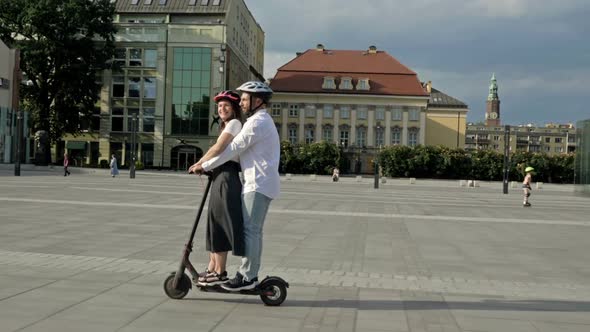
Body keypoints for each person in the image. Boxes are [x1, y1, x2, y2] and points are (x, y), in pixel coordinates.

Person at [190, 81, 280, 291]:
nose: (241, 102)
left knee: (252, 231)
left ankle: (248, 277)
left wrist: (205, 165)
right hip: (255, 182)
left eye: (245, 98)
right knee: (252, 230)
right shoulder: (258, 121)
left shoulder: (257, 123)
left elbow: (233, 148)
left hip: (258, 182)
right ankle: (247, 274)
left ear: (257, 101)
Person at [187, 90, 245, 286]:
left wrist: (200, 164)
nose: (222, 108)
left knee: (220, 223)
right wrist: (205, 166)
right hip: (220, 176)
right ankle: (212, 267)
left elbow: (218, 148)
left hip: (227, 178)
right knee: (214, 223)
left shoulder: (235, 123)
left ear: (234, 107)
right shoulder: (227, 126)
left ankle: (220, 272)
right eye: (219, 106)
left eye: (226, 105)